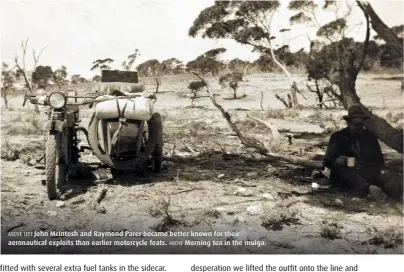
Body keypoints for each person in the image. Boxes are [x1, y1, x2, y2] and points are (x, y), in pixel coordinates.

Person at [323, 105, 386, 198]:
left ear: (364, 123)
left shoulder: (370, 137)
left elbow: (380, 162)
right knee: (344, 168)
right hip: (344, 178)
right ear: (348, 123)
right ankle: (368, 189)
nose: (358, 127)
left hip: (366, 175)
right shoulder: (337, 137)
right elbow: (327, 161)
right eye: (355, 124)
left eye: (360, 125)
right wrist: (336, 161)